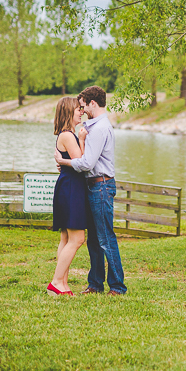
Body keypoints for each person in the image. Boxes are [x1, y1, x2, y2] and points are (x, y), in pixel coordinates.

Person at [54, 85, 127, 295]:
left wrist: (64, 162)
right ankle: (95, 284)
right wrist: (66, 160)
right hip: (93, 186)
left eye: (84, 105)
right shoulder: (92, 127)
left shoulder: (100, 128)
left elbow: (86, 163)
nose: (82, 109)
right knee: (94, 240)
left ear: (93, 103)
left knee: (105, 238)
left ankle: (117, 286)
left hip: (101, 185)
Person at [46, 96, 87, 296]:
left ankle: (62, 283)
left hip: (68, 186)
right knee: (78, 238)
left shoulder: (65, 135)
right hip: (72, 188)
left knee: (66, 238)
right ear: (68, 112)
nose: (81, 112)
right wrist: (82, 139)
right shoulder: (69, 136)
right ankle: (55, 282)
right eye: (78, 109)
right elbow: (81, 163)